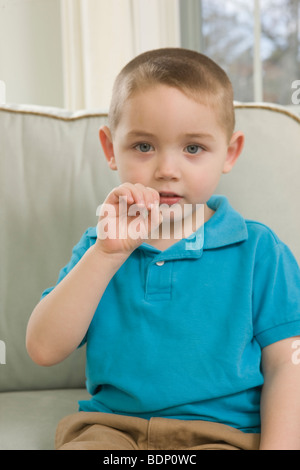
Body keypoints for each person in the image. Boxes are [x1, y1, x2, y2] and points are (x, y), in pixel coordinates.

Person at [26, 48, 300, 450]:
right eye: (143, 146)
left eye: (192, 148)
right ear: (109, 148)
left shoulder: (260, 251)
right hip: (109, 431)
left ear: (231, 152)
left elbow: (286, 366)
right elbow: (44, 349)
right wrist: (104, 258)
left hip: (220, 435)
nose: (167, 169)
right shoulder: (99, 245)